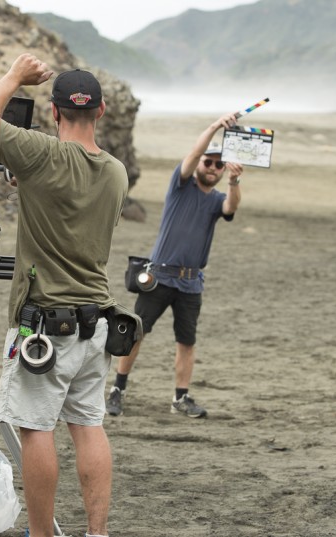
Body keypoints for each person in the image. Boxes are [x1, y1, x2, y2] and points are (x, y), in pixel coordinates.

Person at [0, 54, 128, 537]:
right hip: (97, 321)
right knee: (88, 426)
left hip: (45, 327)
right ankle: (96, 533)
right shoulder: (116, 172)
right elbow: (75, 206)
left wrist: (15, 76)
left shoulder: (42, 153)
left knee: (37, 431)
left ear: (54, 113)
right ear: (99, 113)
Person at [105, 113, 244, 419]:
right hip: (161, 275)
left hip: (191, 283)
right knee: (136, 333)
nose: (212, 168)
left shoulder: (217, 198)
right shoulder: (181, 185)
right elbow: (193, 154)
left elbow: (231, 207)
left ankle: (181, 398)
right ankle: (117, 390)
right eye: (208, 162)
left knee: (187, 341)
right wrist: (214, 127)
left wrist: (235, 181)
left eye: (218, 165)